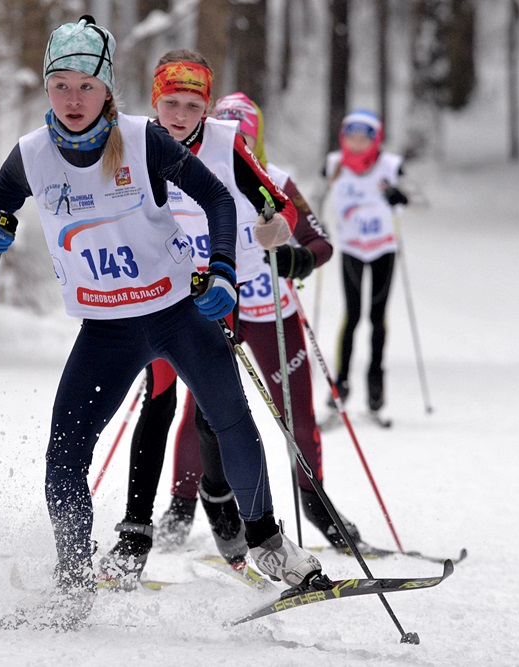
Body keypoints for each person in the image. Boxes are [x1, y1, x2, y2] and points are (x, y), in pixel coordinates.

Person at [0, 17, 324, 631]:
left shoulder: (145, 140)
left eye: (85, 87)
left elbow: (215, 200)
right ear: (48, 90)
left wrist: (225, 272)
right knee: (64, 458)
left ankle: (267, 545)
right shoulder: (30, 156)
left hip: (177, 312)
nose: (73, 101)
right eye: (60, 86)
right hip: (106, 330)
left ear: (107, 89)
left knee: (231, 418)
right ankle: (73, 583)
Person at [95, 54, 305, 586]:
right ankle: (133, 536)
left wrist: (276, 224)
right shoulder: (129, 140)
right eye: (172, 104)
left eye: (193, 106)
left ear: (206, 110)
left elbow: (277, 202)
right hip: (156, 293)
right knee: (158, 404)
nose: (181, 115)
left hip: (212, 293)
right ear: (154, 102)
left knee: (218, 415)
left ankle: (224, 509)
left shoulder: (224, 143)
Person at [151, 92, 365, 555]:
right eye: (230, 137)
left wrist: (298, 259)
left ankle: (316, 506)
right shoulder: (188, 177)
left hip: (271, 311)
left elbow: (320, 241)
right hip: (216, 307)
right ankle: (180, 507)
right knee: (200, 412)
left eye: (245, 138)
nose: (236, 148)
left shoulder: (278, 181)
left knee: (299, 414)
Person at [324, 109, 408, 420]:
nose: (357, 144)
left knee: (377, 316)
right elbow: (317, 198)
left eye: (363, 139)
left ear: (375, 140)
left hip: (383, 248)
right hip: (352, 249)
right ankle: (341, 383)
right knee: (352, 315)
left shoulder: (390, 166)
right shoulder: (334, 164)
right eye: (352, 138)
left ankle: (375, 383)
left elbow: (418, 199)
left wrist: (400, 196)